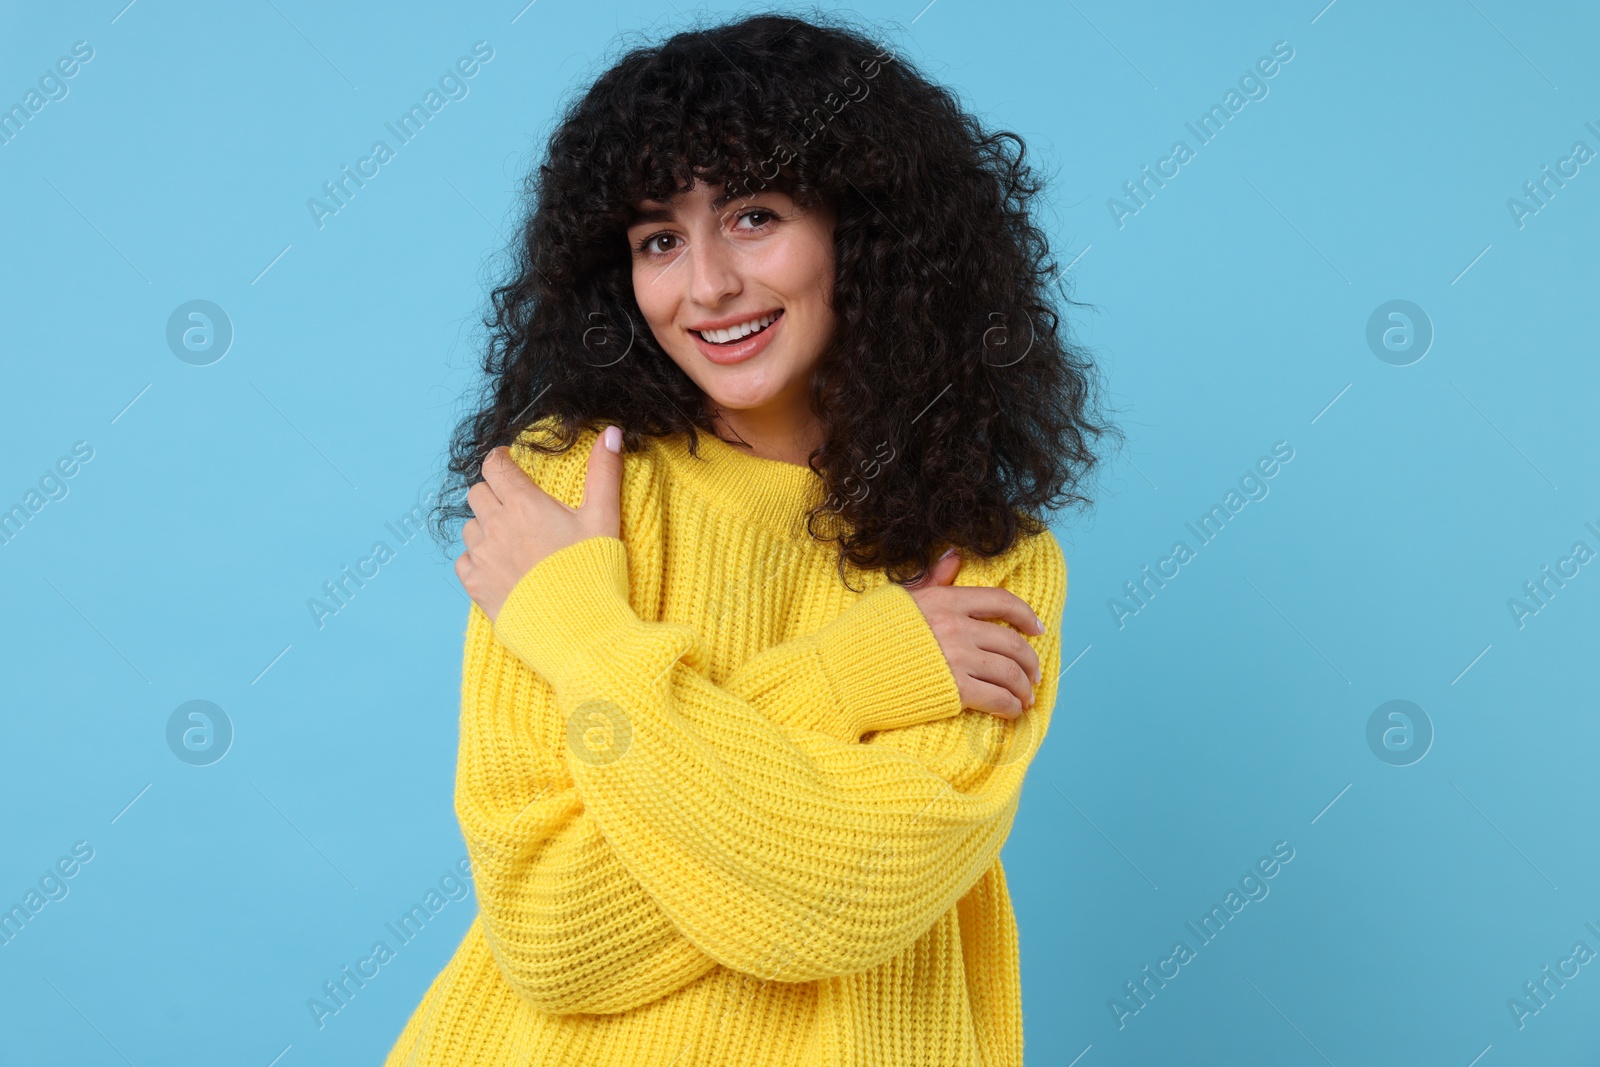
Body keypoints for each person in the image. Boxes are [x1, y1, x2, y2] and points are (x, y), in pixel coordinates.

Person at [394, 11, 1117, 1066]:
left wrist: (585, 636)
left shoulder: (992, 559)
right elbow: (556, 934)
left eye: (752, 215)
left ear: (864, 230)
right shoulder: (565, 495)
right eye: (657, 239)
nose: (706, 286)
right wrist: (853, 673)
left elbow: (842, 900)